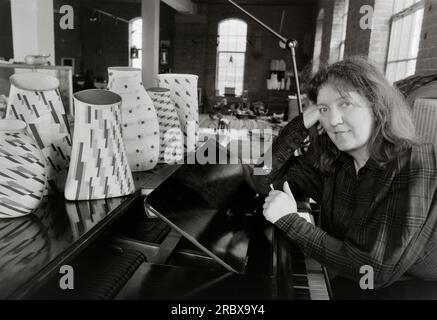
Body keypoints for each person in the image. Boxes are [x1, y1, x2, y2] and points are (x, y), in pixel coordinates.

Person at [244, 57, 437, 295]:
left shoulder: (412, 161)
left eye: (345, 104)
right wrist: (299, 125)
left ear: (377, 107)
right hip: (367, 279)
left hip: (419, 287)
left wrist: (289, 220)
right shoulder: (337, 161)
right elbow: (261, 178)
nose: (333, 121)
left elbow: (372, 270)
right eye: (324, 109)